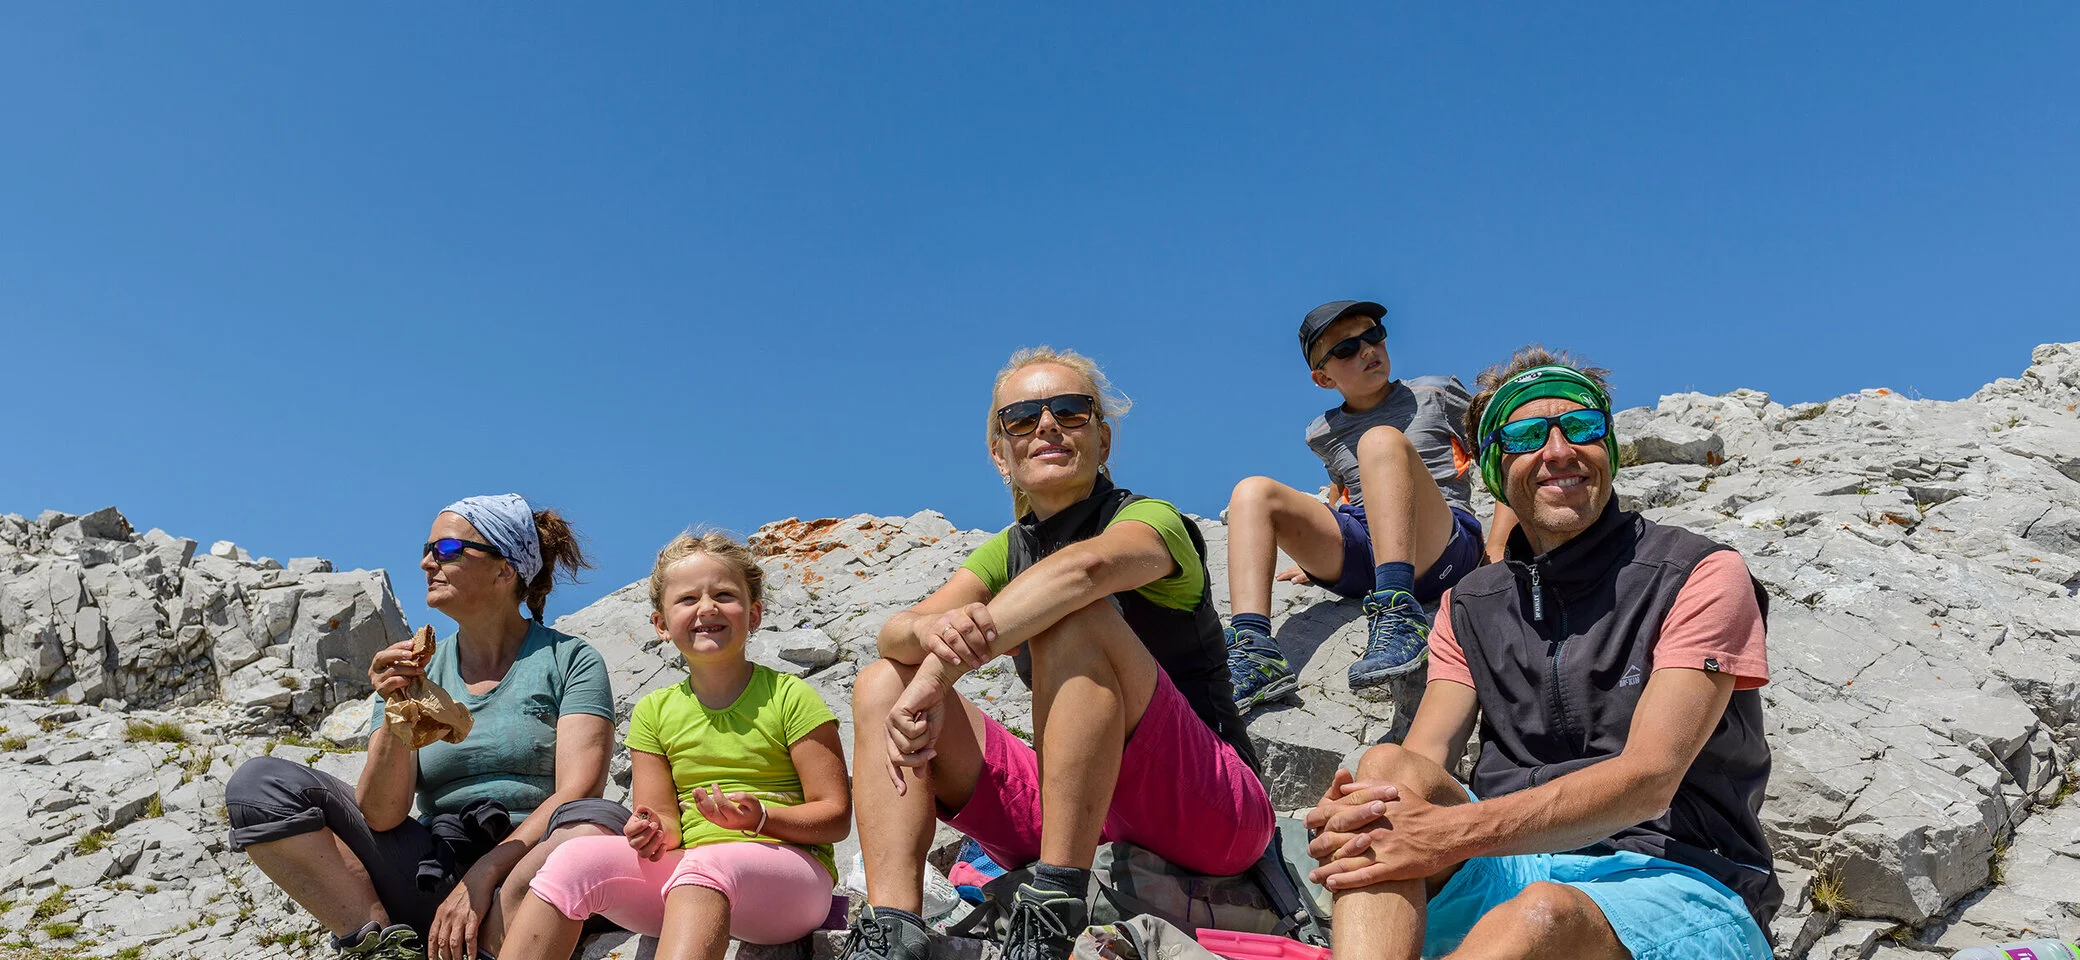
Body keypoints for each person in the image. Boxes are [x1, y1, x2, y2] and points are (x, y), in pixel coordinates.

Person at [1303, 349, 1781, 960]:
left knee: (1540, 916)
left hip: (1680, 875)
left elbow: (1650, 781)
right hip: (1514, 862)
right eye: (1527, 436)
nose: (1559, 451)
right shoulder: (1469, 605)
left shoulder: (1697, 573)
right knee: (1386, 777)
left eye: (1582, 427)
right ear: (1495, 468)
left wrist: (1448, 831)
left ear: (1608, 447)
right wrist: (1362, 817)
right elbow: (1423, 758)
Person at [846, 347, 1276, 960]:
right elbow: (897, 631)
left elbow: (1084, 571)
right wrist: (933, 634)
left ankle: (1053, 909)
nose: (1046, 425)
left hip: (1210, 807)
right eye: (1022, 419)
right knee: (883, 682)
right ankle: (892, 931)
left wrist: (941, 669)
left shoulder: (1150, 520)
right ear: (1001, 454)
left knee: (1073, 616)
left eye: (1070, 411)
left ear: (1102, 440)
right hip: (1076, 805)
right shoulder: (1007, 550)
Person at [225, 494, 627, 960]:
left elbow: (578, 791)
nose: (426, 563)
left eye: (447, 550)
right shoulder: (416, 670)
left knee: (597, 823)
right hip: (437, 867)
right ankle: (384, 945)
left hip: (532, 872)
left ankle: (500, 938)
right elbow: (382, 815)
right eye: (427, 549)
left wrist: (485, 875)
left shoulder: (569, 660)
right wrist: (396, 707)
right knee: (259, 786)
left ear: (505, 570)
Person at [500, 531, 851, 960]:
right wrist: (650, 831)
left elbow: (835, 817)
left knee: (707, 867)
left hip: (792, 880)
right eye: (687, 599)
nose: (707, 608)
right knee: (573, 860)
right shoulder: (654, 711)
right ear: (661, 625)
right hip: (690, 874)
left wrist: (761, 817)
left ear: (754, 614)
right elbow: (664, 819)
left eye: (724, 595)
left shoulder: (791, 696)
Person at [1224, 300, 1490, 712]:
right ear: (1323, 377)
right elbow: (1341, 491)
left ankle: (1399, 615)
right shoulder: (1322, 431)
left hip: (1440, 546)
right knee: (1252, 490)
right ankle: (1254, 649)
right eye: (1346, 349)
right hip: (1365, 553)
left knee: (1379, 440)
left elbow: (1505, 459)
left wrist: (1501, 546)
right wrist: (1316, 555)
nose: (1367, 350)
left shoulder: (1436, 394)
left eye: (1373, 336)